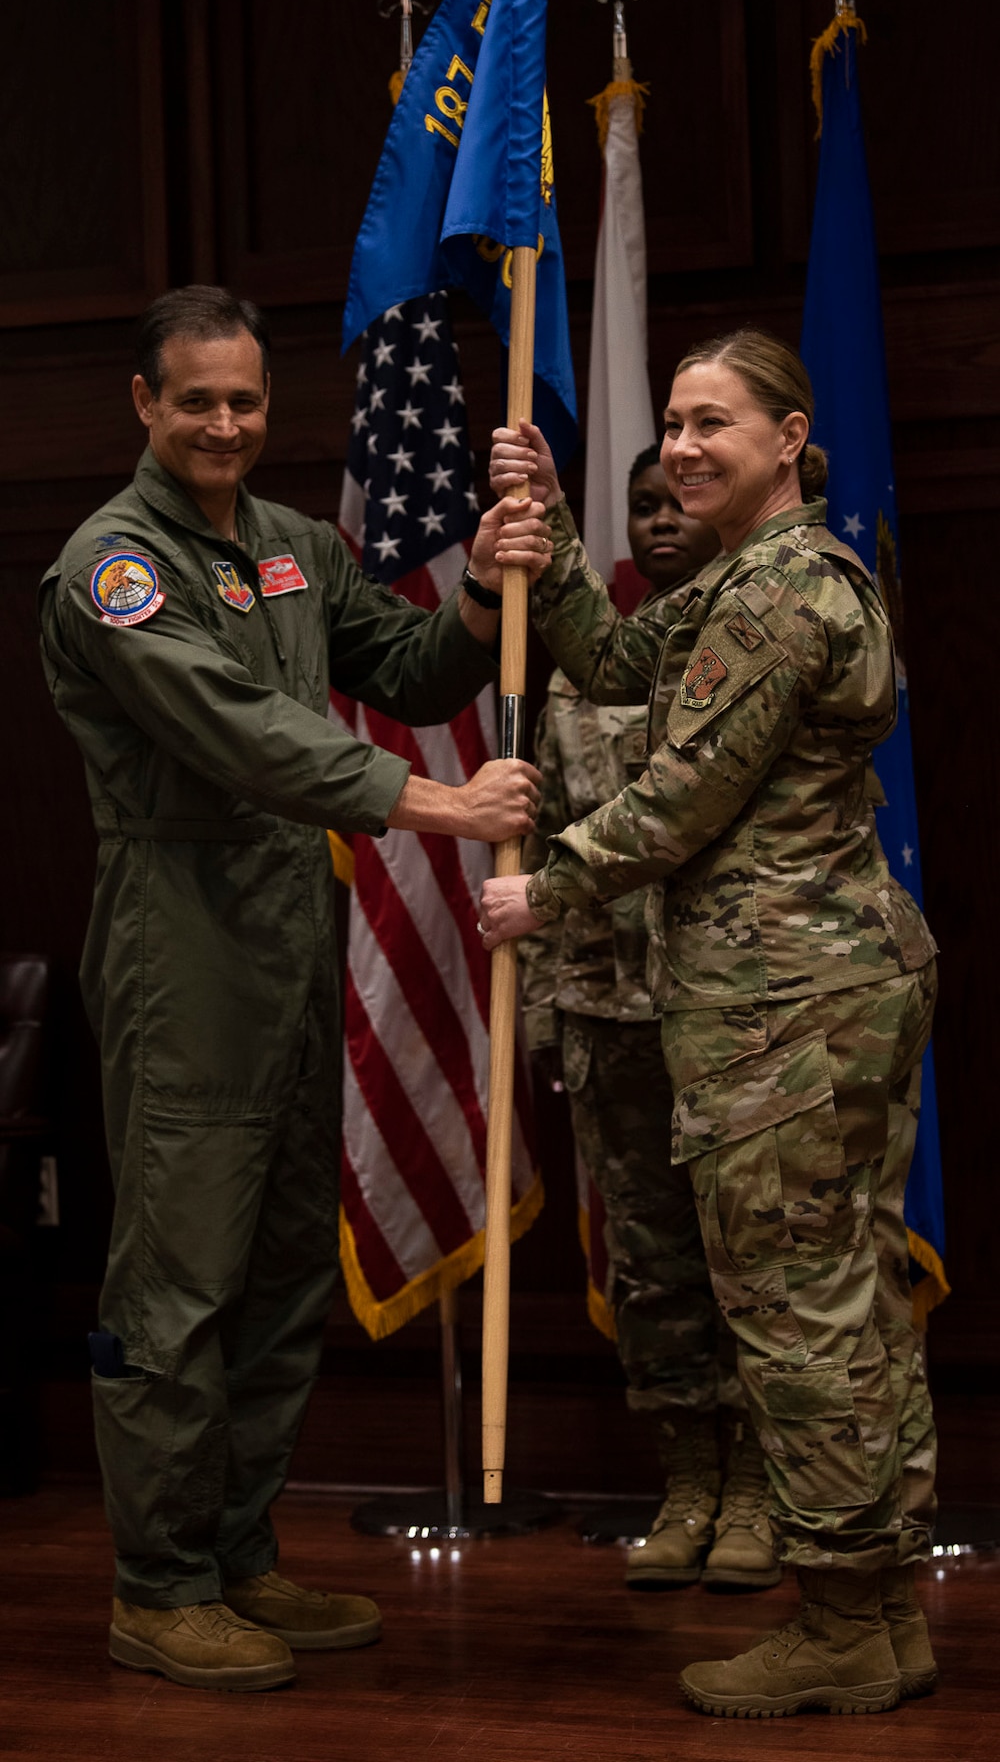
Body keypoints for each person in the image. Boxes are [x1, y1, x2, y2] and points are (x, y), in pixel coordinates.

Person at [39, 284, 550, 1694]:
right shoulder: (115, 567)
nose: (224, 424)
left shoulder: (290, 546)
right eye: (195, 399)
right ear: (143, 402)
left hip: (286, 937)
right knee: (180, 1286)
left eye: (246, 400)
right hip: (180, 941)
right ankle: (159, 1585)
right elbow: (243, 732)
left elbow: (402, 670)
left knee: (273, 1275)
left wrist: (483, 589)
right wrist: (431, 809)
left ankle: (240, 1557)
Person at [484, 329, 939, 1719]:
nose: (681, 448)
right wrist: (550, 524)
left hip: (785, 1004)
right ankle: (883, 1609)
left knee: (800, 1310)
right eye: (673, 424)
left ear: (791, 439)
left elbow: (679, 795)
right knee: (843, 1297)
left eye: (714, 425)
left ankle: (848, 1619)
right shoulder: (739, 580)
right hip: (798, 991)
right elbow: (617, 665)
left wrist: (543, 890)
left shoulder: (784, 591)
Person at [521, 454, 781, 1591]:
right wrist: (541, 1007)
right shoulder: (580, 678)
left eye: (678, 499)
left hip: (736, 1007)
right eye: (642, 507)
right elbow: (537, 847)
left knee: (757, 1255)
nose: (662, 519)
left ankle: (766, 1487)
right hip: (608, 1009)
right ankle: (688, 1478)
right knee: (653, 1261)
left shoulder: (758, 638)